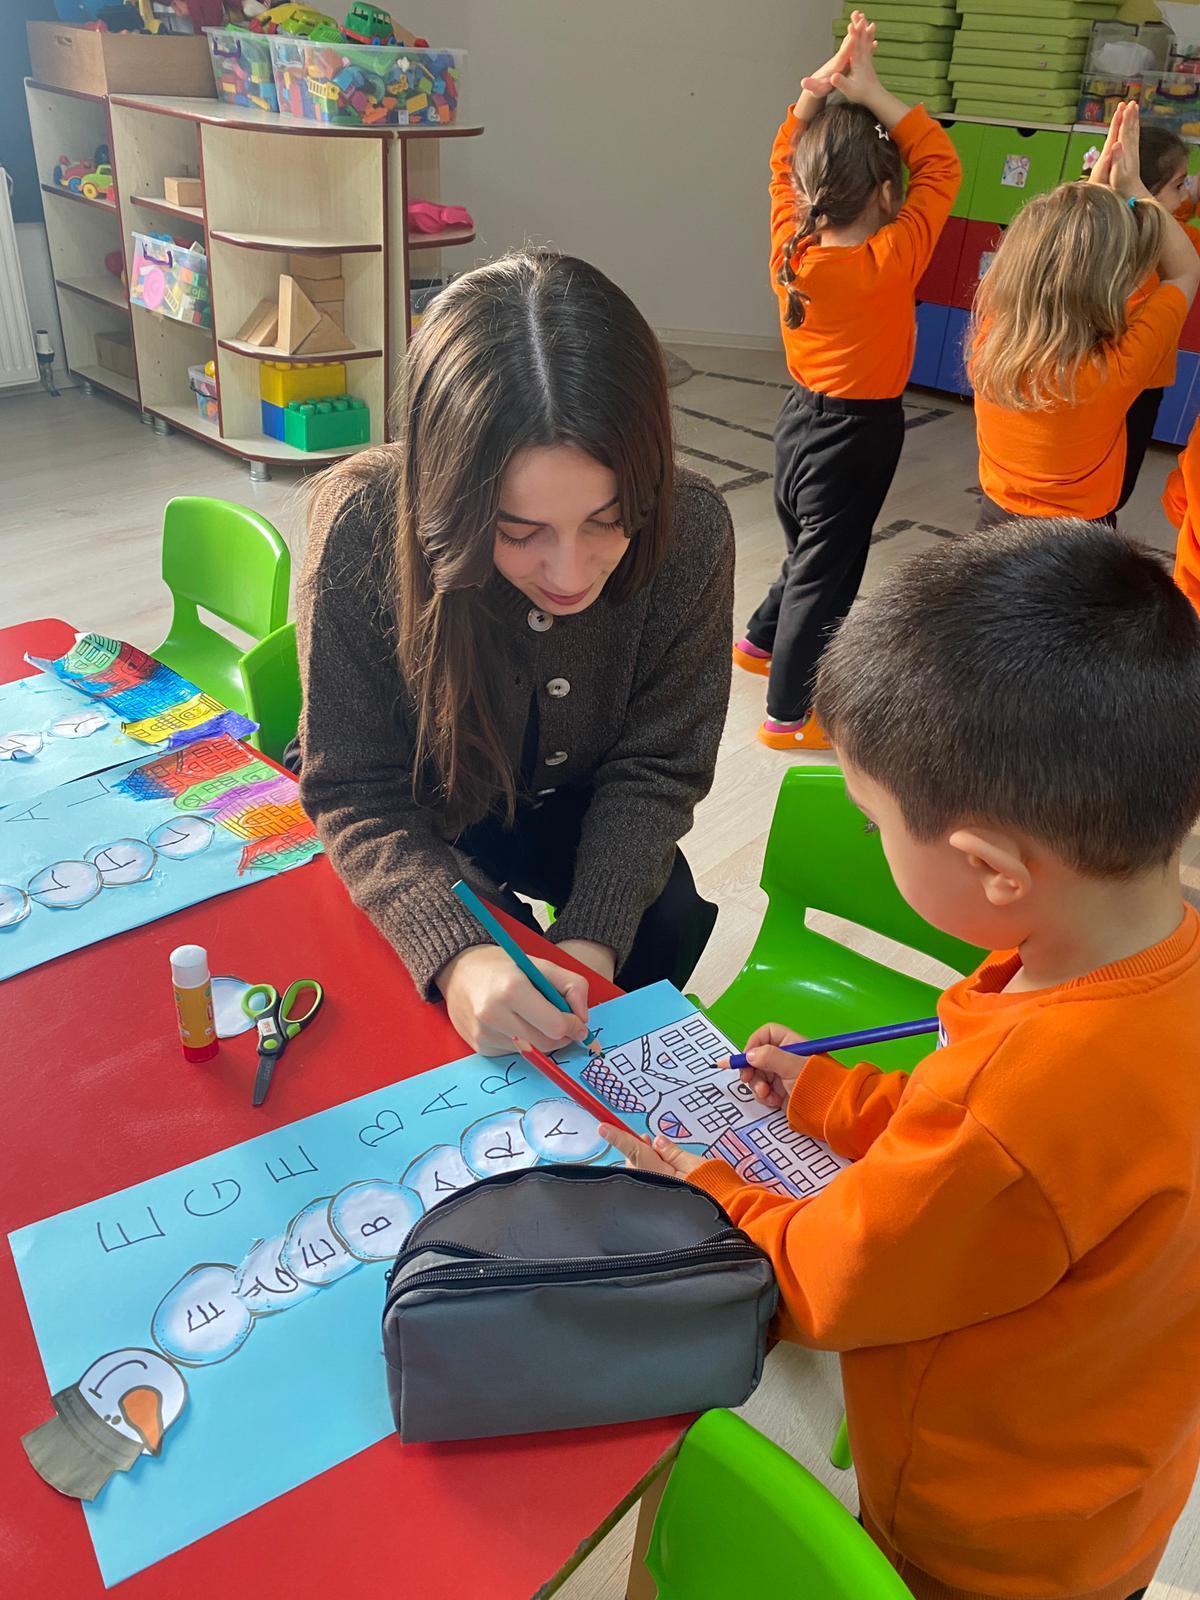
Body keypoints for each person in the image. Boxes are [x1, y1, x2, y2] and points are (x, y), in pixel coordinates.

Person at [605, 519, 1200, 1600]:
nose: (875, 840)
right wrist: (830, 1095)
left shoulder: (1013, 1104)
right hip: (1110, 1496)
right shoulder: (1151, 965)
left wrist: (711, 1190)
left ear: (992, 869)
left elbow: (830, 1283)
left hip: (977, 1538)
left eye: (877, 823)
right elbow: (981, 1159)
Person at [295, 250, 733, 1055]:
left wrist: (592, 940)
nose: (569, 574)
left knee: (661, 914)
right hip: (422, 794)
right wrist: (458, 955)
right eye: (519, 531)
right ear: (449, 500)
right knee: (443, 985)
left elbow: (660, 765)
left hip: (577, 795)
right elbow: (355, 786)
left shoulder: (692, 526)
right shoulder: (363, 522)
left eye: (608, 520)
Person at [733, 9, 960, 752]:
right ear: (888, 194)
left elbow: (780, 160)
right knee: (828, 574)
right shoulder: (890, 260)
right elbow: (943, 164)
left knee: (809, 553)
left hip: (797, 424)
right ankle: (789, 716)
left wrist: (817, 91)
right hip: (858, 436)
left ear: (806, 193)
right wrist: (873, 92)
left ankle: (759, 641)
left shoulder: (790, 250)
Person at [970, 101, 1200, 529]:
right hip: (1079, 538)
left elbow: (1052, 252)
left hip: (994, 522)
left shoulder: (990, 341)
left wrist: (1102, 189)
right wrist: (1133, 187)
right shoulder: (1117, 369)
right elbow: (1186, 270)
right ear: (1109, 283)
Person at [1118, 125, 1200, 509]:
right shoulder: (1170, 247)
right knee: (1115, 488)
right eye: (1179, 186)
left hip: (1120, 383)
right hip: (1140, 386)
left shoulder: (1110, 230)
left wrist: (1185, 193)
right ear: (1146, 191)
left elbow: (1165, 209)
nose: (1184, 197)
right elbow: (1180, 234)